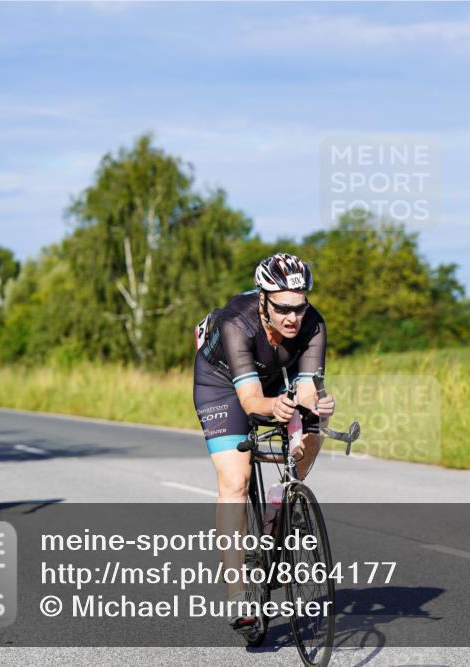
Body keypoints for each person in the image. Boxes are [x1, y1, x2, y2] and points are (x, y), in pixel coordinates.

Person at [193, 253, 336, 631]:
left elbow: (306, 388)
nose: (293, 317)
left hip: (273, 375)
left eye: (300, 307)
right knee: (235, 482)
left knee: (317, 416)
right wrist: (276, 406)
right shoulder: (236, 324)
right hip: (222, 384)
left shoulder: (313, 324)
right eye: (283, 308)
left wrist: (314, 408)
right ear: (263, 299)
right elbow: (253, 403)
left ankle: (282, 496)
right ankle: (237, 592)